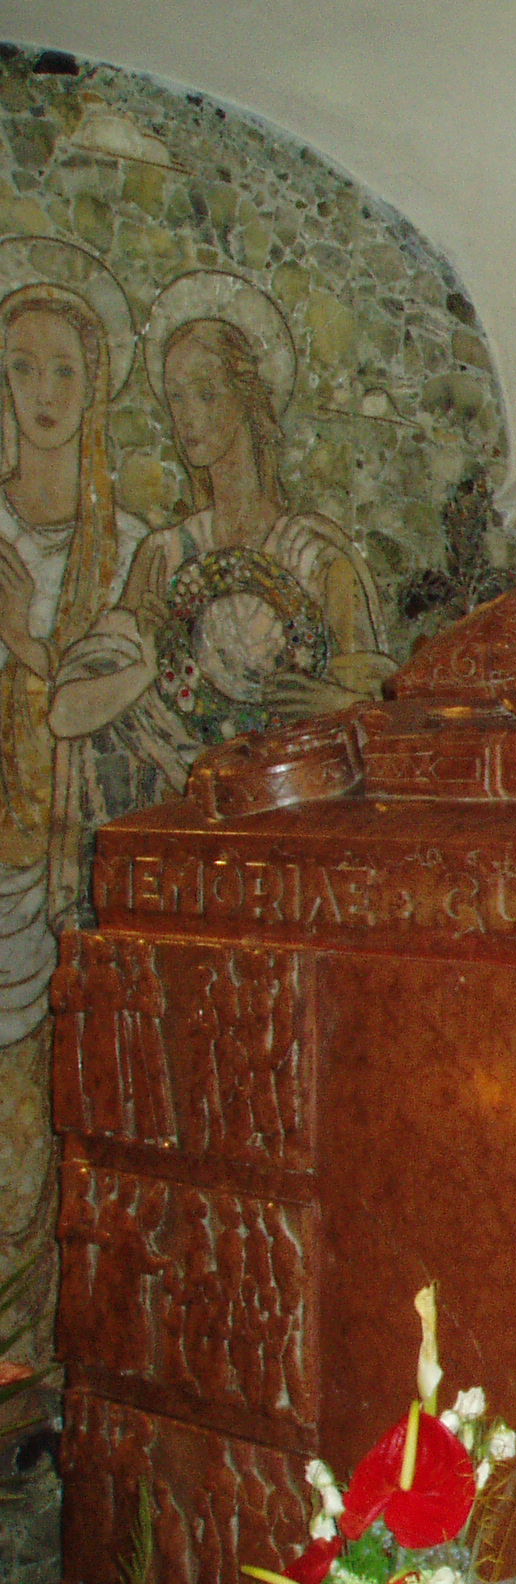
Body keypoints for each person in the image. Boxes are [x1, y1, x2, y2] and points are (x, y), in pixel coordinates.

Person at [123, 270, 392, 754]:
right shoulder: (162, 556)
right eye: (175, 397)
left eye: (205, 393)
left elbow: (383, 710)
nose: (186, 417)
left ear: (247, 398)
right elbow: (121, 706)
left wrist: (339, 705)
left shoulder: (315, 557)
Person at [0, 239, 153, 1047]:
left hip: (69, 863)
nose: (44, 393)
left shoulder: (130, 546)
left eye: (64, 370)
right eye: (23, 368)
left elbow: (110, 711)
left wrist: (20, 637)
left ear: (95, 385)